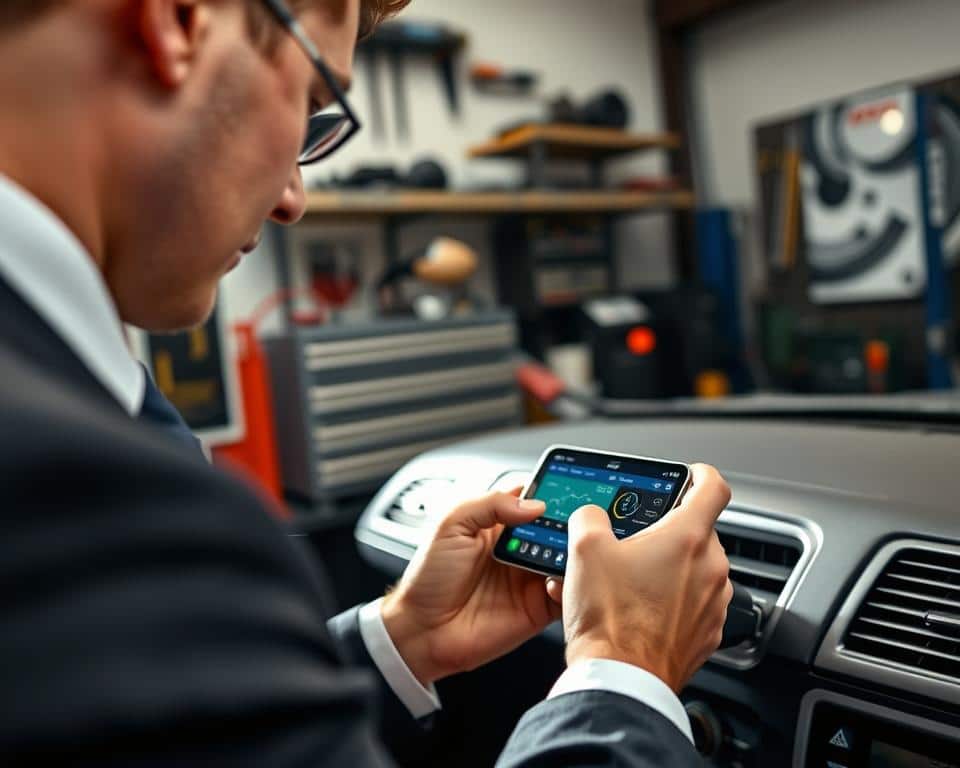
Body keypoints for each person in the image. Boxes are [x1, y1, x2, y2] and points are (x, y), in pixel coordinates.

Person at [0, 0, 734, 765]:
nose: (294, 199)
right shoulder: (75, 501)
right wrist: (624, 674)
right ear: (179, 20)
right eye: (314, 103)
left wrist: (401, 639)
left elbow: (155, 718)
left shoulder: (81, 417)